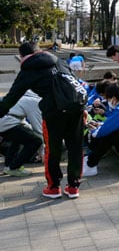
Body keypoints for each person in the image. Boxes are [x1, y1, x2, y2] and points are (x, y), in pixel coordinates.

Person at [0, 41, 87, 199]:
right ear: (38, 50)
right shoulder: (58, 60)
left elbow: (11, 98)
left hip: (53, 113)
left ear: (21, 57)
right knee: (75, 148)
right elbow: (75, 83)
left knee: (52, 150)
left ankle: (54, 188)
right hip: (76, 109)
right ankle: (73, 187)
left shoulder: (28, 70)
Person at [0, 90, 43, 176]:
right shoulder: (35, 102)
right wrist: (43, 153)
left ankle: (8, 166)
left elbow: (24, 124)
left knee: (19, 138)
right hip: (5, 122)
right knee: (36, 141)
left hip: (5, 121)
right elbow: (38, 129)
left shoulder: (23, 98)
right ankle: (15, 167)